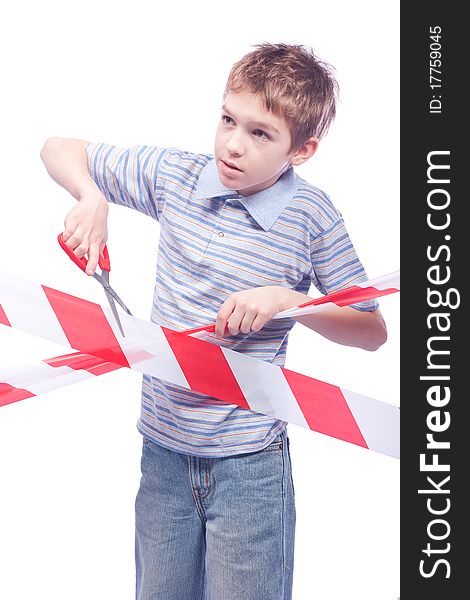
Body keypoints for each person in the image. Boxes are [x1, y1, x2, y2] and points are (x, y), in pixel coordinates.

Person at [40, 43, 387, 600]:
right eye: (228, 119)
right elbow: (58, 147)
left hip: (250, 469)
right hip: (163, 458)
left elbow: (371, 330)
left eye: (260, 133)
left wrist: (288, 301)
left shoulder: (312, 216)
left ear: (303, 150)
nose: (232, 144)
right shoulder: (177, 176)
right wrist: (90, 196)